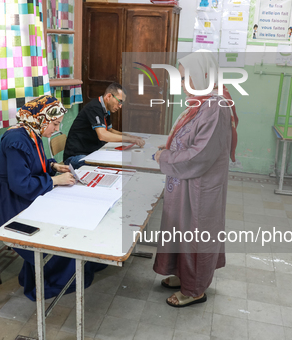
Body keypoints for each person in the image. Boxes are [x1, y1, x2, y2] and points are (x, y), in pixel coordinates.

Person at [0, 95, 106, 300]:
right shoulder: (17, 139)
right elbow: (21, 185)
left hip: (23, 193)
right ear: (41, 118)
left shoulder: (32, 132)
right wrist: (55, 181)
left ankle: (79, 264)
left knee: (71, 211)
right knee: (59, 225)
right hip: (10, 202)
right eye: (54, 124)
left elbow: (35, 162)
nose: (56, 129)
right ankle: (53, 279)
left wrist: (52, 166)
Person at [152, 50, 239, 308]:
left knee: (196, 233)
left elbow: (200, 155)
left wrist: (165, 157)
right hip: (185, 182)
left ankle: (195, 289)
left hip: (199, 186)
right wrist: (168, 151)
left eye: (185, 77)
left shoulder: (215, 107)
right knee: (181, 228)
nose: (181, 83)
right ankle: (183, 275)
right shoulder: (201, 101)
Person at [63, 82, 145, 169]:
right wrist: (130, 140)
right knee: (109, 167)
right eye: (119, 101)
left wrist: (130, 136)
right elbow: (102, 135)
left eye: (122, 103)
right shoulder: (94, 107)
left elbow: (109, 130)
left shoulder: (105, 109)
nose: (120, 106)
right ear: (109, 96)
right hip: (76, 157)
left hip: (92, 153)